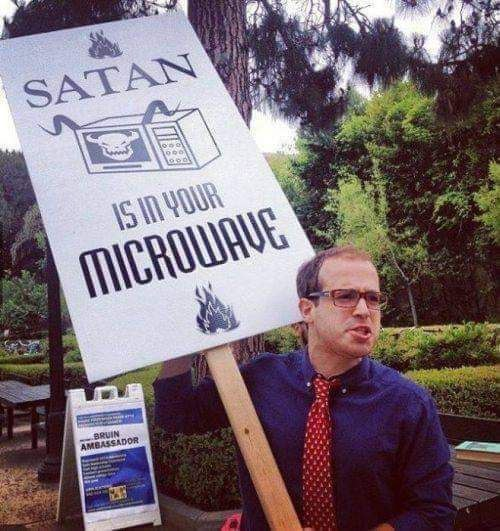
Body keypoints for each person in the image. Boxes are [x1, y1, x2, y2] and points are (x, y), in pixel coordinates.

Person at [154, 246, 456, 530]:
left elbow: (433, 511)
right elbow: (177, 415)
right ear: (307, 309)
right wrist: (184, 337)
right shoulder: (260, 378)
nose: (364, 310)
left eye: (373, 298)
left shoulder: (408, 403)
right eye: (345, 296)